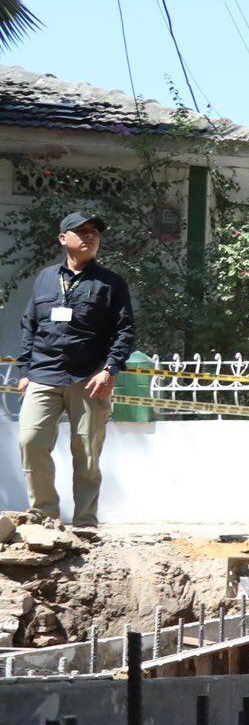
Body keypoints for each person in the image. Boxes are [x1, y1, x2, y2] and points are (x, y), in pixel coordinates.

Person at [16, 211, 134, 533]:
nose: (90, 236)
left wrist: (110, 369)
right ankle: (44, 518)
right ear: (63, 238)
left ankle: (84, 523)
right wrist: (25, 369)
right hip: (43, 374)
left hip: (89, 379)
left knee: (86, 453)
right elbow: (30, 325)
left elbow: (124, 331)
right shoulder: (44, 278)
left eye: (94, 231)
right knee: (31, 441)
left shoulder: (111, 283)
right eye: (81, 231)